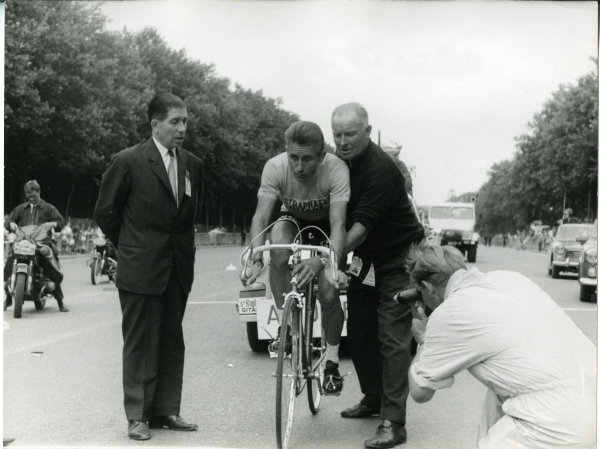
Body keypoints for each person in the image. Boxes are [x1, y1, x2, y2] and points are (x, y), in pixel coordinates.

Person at [406, 244, 596, 449]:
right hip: (591, 402)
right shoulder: (509, 278)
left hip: (556, 425)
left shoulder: (450, 312)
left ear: (428, 287)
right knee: (497, 397)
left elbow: (420, 392)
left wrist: (425, 339)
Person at [94, 93, 204, 441]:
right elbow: (105, 212)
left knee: (172, 339)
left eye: (185, 121)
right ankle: (138, 416)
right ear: (155, 125)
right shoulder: (127, 161)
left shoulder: (192, 165)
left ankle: (166, 409)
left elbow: (188, 217)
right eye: (175, 121)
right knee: (141, 342)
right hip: (140, 266)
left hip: (178, 267)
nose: (182, 128)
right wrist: (131, 245)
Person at [331, 103, 424, 448]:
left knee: (392, 336)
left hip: (400, 258)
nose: (342, 142)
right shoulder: (339, 164)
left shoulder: (382, 170)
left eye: (350, 134)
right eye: (337, 134)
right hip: (366, 261)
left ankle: (394, 421)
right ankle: (373, 397)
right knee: (358, 331)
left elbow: (361, 227)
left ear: (367, 133)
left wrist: (330, 255)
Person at [240, 120, 349, 395]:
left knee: (328, 290)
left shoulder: (336, 169)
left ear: (322, 156)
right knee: (277, 247)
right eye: (294, 158)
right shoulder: (275, 167)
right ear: (286, 152)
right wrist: (255, 258)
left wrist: (327, 262)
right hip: (294, 218)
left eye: (307, 159)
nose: (299, 167)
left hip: (326, 226)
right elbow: (261, 216)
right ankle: (286, 327)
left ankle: (333, 363)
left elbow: (338, 225)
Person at [4, 180, 69, 312]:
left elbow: (61, 221)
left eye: (33, 196)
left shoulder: (48, 208)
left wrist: (53, 224)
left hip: (42, 244)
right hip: (23, 243)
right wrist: (11, 224)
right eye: (29, 197)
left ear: (39, 192)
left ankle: (60, 301)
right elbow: (8, 221)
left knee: (51, 267)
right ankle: (9, 297)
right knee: (9, 263)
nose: (31, 199)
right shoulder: (21, 209)